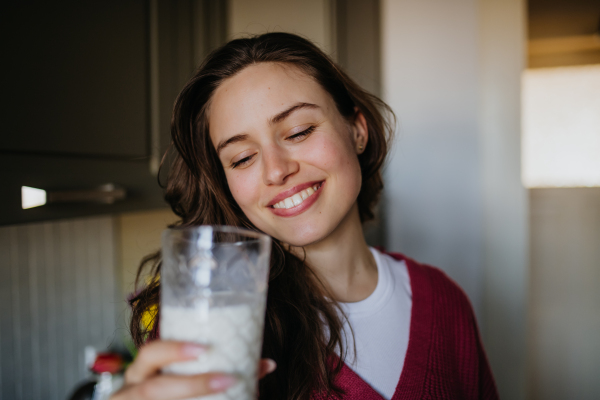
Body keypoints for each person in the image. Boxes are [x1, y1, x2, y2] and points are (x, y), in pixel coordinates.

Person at [113, 32, 499, 400]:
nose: (276, 171)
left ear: (357, 130)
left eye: (298, 131)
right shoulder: (214, 322)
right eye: (242, 158)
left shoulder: (444, 301)